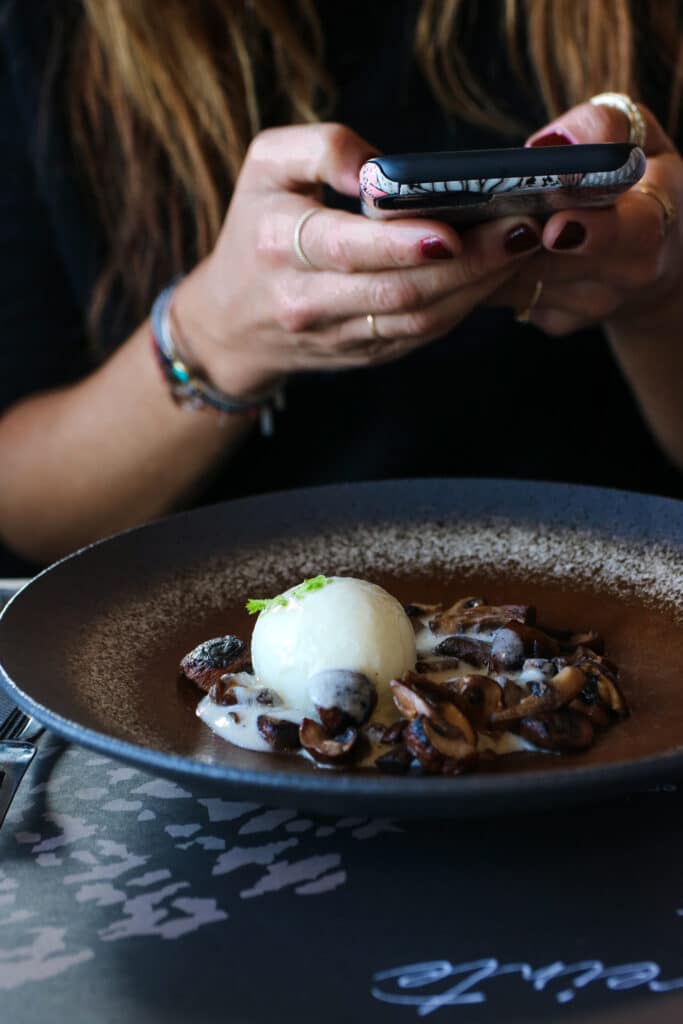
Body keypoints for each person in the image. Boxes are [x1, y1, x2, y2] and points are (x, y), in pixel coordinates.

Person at [1, 0, 682, 576]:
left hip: (619, 605)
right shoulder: (59, 30)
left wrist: (662, 301)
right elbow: (26, 512)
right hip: (224, 633)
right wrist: (215, 336)